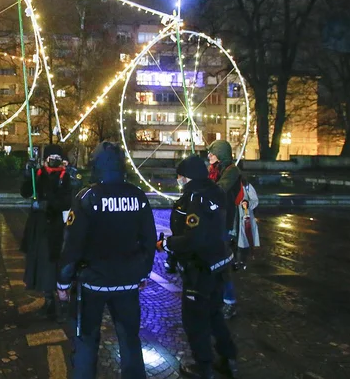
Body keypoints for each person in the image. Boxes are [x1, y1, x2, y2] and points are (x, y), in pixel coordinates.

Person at [56, 142, 157, 379]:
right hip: (128, 281)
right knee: (130, 337)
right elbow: (149, 239)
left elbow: (72, 245)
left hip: (94, 282)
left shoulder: (87, 197)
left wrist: (63, 282)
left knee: (87, 338)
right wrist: (143, 272)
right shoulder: (137, 195)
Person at [157, 156, 238, 379]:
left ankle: (203, 367)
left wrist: (167, 244)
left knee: (194, 319)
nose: (178, 180)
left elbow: (193, 239)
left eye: (180, 176)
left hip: (200, 267)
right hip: (219, 263)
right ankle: (227, 358)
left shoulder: (194, 198)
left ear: (186, 177)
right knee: (214, 314)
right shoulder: (216, 192)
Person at [20, 144, 74, 321]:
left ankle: (62, 305)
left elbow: (66, 201)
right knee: (42, 265)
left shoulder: (65, 177)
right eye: (51, 158)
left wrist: (48, 205)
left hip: (55, 228)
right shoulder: (39, 173)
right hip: (38, 226)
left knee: (54, 265)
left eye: (57, 158)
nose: (54, 161)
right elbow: (25, 192)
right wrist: (28, 174)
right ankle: (49, 301)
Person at [207, 140, 241, 319]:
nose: (209, 156)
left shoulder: (231, 171)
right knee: (213, 261)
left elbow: (219, 190)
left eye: (212, 153)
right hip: (214, 221)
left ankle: (230, 301)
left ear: (221, 154)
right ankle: (218, 297)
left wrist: (203, 186)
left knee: (222, 264)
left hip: (226, 223)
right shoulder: (213, 171)